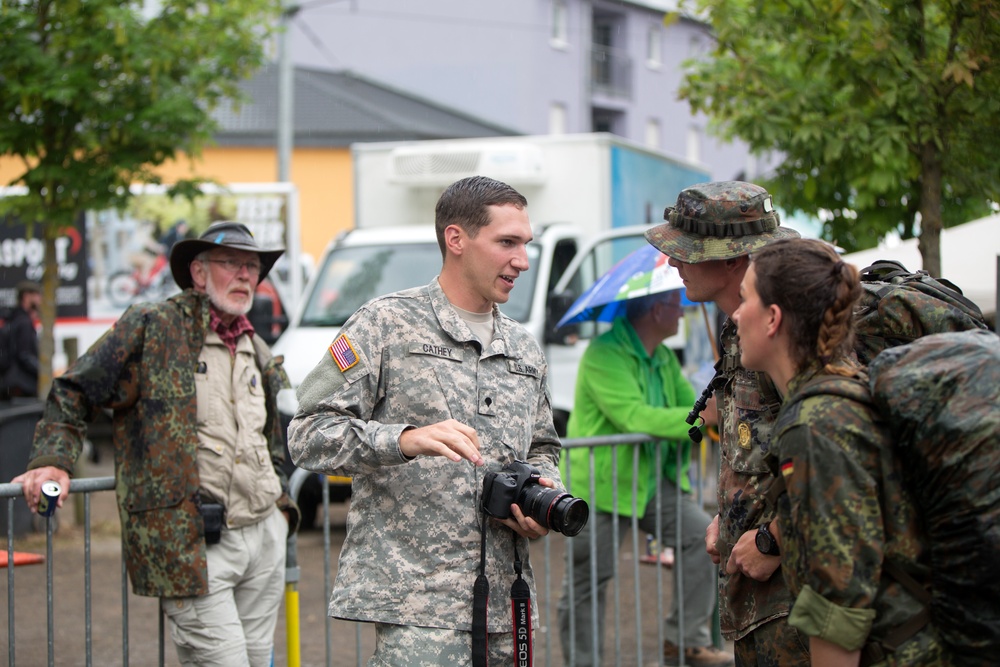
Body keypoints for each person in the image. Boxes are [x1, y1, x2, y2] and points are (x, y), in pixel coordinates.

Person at [288, 175, 563, 666]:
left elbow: (544, 445)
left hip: (508, 600)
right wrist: (404, 439)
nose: (522, 260)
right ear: (456, 239)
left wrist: (541, 497)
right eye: (507, 242)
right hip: (418, 604)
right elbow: (307, 434)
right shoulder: (385, 325)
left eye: (525, 244)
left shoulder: (523, 346)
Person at [13, 221, 300, 667]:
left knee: (258, 658)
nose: (246, 275)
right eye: (232, 264)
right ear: (199, 273)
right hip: (194, 546)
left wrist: (281, 508)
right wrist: (53, 461)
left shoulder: (255, 346)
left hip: (263, 534)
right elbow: (74, 390)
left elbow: (269, 437)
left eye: (253, 266)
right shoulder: (154, 327)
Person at [732, 238, 949, 665]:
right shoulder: (842, 390)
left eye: (745, 300)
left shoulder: (816, 425)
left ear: (773, 318)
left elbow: (839, 604)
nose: (737, 316)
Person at [645, 181, 811, 666]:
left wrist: (772, 539)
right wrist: (733, 513)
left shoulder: (788, 333)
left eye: (688, 251)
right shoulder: (738, 330)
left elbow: (833, 457)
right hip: (759, 597)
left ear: (733, 260)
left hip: (796, 589)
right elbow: (759, 452)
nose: (673, 262)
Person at [556, 288, 733, 667]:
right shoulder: (604, 354)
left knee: (701, 538)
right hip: (599, 487)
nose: (684, 314)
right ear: (656, 311)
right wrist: (703, 417)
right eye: (676, 306)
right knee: (589, 581)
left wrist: (713, 404)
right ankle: (581, 663)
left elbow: (690, 405)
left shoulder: (664, 356)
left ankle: (683, 642)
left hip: (650, 481)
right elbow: (634, 418)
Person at [1, 280, 41, 399]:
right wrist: (43, 372)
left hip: (8, 383)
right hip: (22, 386)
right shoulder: (24, 323)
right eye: (37, 295)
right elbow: (24, 355)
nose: (40, 300)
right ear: (27, 296)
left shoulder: (12, 319)